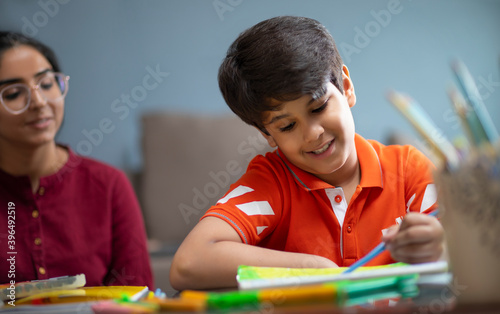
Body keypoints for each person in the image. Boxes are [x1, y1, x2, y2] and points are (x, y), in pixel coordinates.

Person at [169, 16, 445, 290]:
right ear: (267, 134)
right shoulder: (272, 183)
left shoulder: (408, 169)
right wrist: (316, 268)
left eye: (319, 107)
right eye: (288, 126)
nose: (313, 134)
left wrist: (441, 246)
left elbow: (464, 255)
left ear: (346, 87)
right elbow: (188, 264)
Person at [0, 32, 153, 288]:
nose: (39, 102)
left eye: (47, 84)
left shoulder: (108, 185)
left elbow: (136, 295)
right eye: (14, 93)